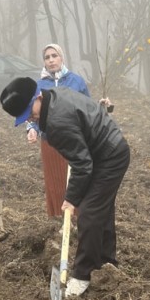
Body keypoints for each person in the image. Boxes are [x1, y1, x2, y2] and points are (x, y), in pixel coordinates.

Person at [0, 77, 130, 297]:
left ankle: (82, 275)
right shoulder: (54, 95)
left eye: (29, 111)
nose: (30, 118)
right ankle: (107, 263)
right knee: (101, 210)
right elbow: (82, 157)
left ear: (38, 96)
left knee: (88, 213)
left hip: (109, 155)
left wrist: (70, 199)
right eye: (24, 117)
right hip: (102, 150)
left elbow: (82, 164)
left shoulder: (57, 122)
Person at [27, 43, 113, 217]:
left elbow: (86, 107)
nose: (51, 60)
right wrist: (32, 129)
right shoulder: (39, 85)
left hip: (74, 139)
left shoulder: (76, 81)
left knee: (76, 177)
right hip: (50, 141)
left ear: (61, 58)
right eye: (47, 57)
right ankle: (59, 218)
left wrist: (102, 106)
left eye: (54, 55)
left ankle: (77, 216)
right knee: (55, 180)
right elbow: (34, 113)